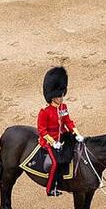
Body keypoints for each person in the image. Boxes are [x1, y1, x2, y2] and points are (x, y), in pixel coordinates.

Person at [37, 67, 84, 197]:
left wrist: (77, 133)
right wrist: (52, 142)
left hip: (63, 137)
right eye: (59, 95)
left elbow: (68, 122)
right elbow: (42, 130)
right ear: (52, 96)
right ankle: (50, 188)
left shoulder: (63, 107)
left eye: (62, 94)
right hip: (48, 141)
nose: (61, 97)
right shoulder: (44, 112)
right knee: (55, 162)